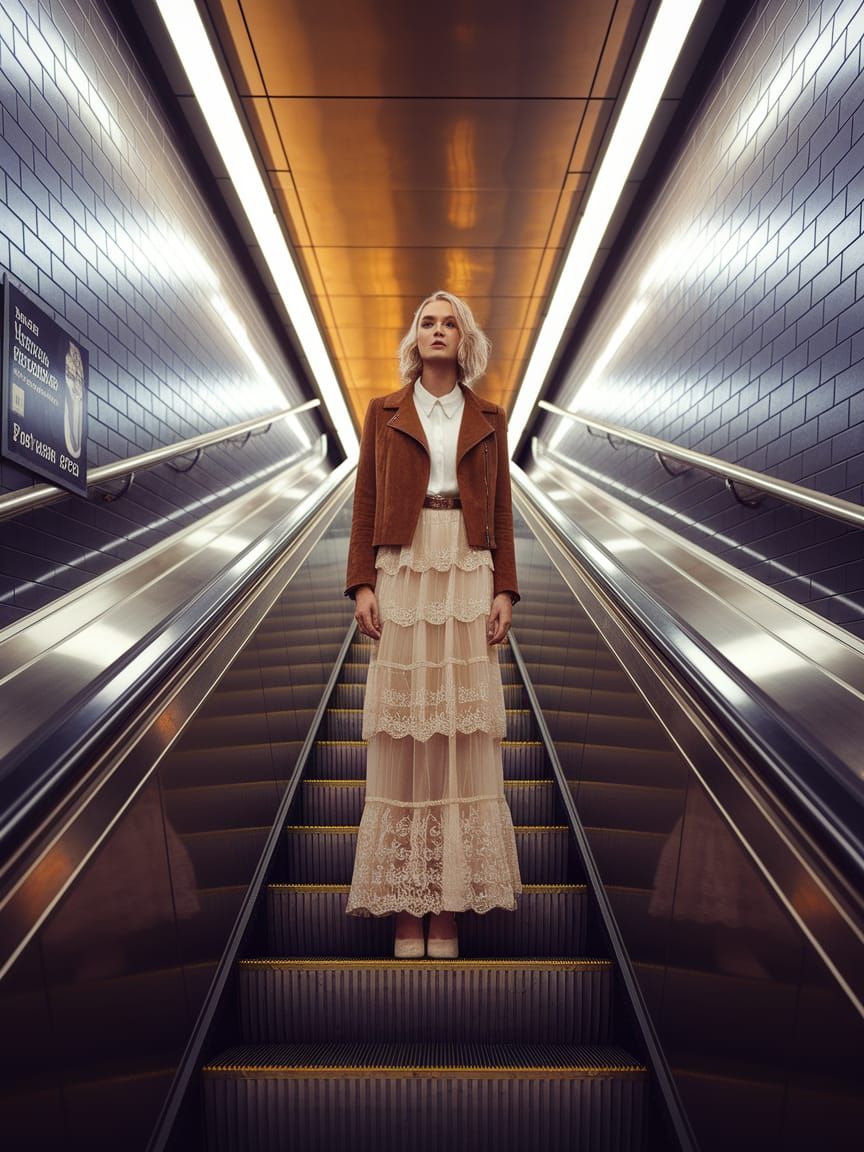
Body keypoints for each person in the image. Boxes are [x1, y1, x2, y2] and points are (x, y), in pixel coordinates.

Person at [344, 290, 522, 958]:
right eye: (428, 322)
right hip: (404, 561)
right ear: (415, 338)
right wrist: (362, 581)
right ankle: (404, 905)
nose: (438, 331)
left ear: (464, 339)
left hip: (468, 565)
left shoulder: (490, 417)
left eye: (450, 323)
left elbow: (501, 508)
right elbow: (365, 498)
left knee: (456, 734)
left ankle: (445, 906)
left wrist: (505, 589)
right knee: (406, 733)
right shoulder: (384, 411)